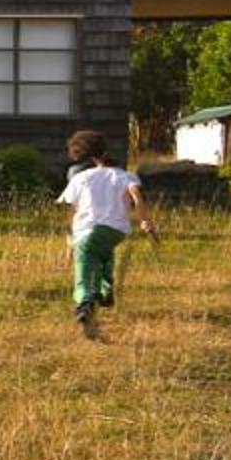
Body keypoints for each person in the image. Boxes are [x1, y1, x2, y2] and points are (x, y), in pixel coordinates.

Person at [57, 129, 153, 335]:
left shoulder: (81, 178)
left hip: (87, 229)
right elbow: (136, 196)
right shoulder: (126, 175)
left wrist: (69, 242)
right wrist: (145, 221)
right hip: (117, 230)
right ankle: (106, 290)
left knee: (84, 264)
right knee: (102, 250)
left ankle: (85, 303)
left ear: (86, 157)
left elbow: (71, 212)